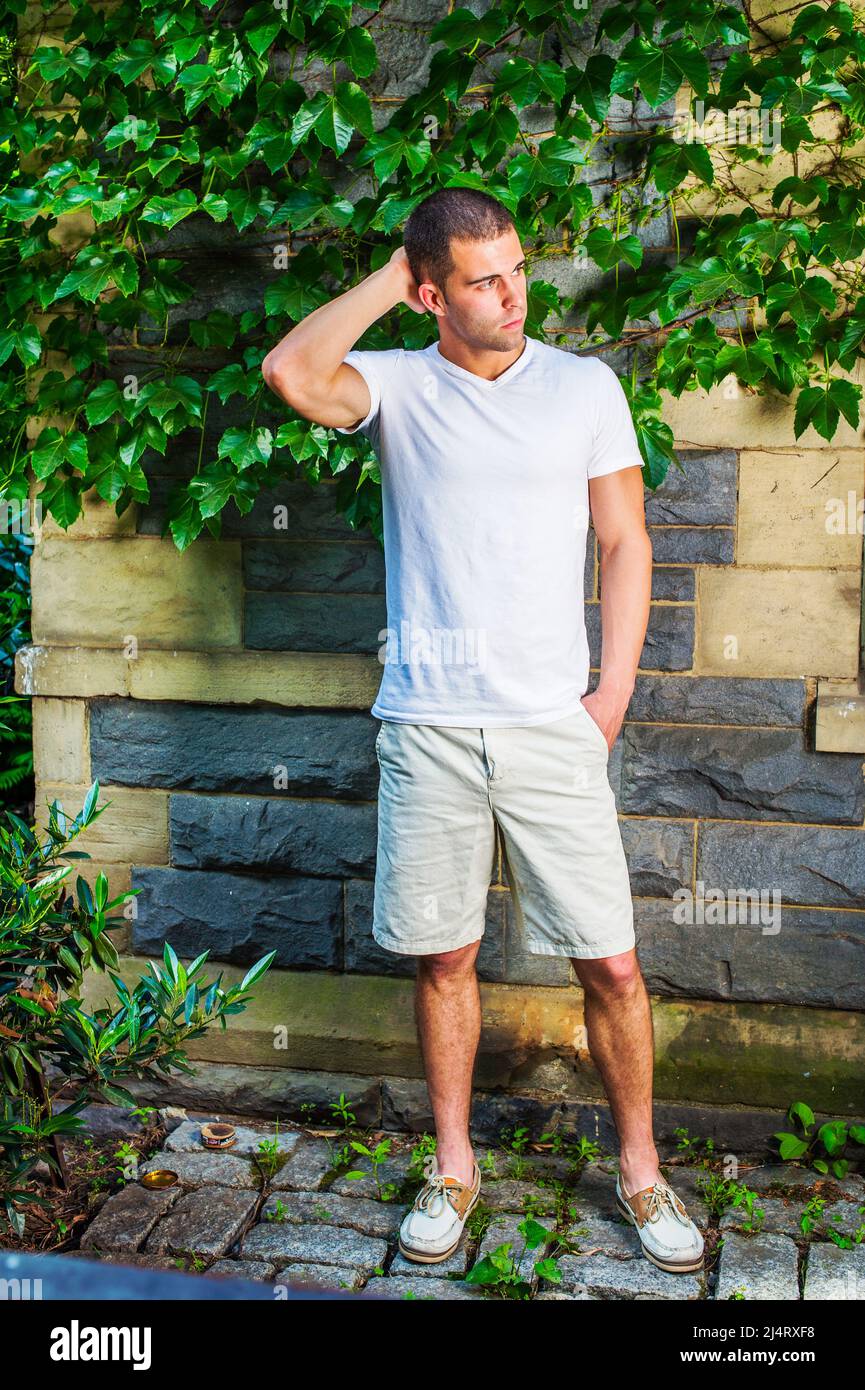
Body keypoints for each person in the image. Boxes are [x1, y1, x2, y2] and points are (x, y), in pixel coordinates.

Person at [262, 187, 704, 1275]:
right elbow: (291, 372)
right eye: (482, 280)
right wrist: (394, 270)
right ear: (430, 295)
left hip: (555, 724)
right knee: (445, 955)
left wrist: (610, 696)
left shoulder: (583, 386)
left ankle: (640, 1172)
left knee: (609, 963)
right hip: (430, 725)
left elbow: (624, 541)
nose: (514, 295)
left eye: (516, 271)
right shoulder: (400, 386)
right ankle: (454, 1166)